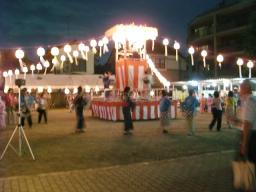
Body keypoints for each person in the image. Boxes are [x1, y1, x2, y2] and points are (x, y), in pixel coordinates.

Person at [232, 79, 256, 164]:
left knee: (250, 162)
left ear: (247, 88)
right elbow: (244, 121)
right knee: (246, 161)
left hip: (250, 135)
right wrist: (235, 120)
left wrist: (244, 143)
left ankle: (247, 176)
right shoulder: (245, 100)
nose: (239, 90)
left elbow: (248, 123)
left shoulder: (250, 101)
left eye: (241, 87)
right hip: (247, 133)